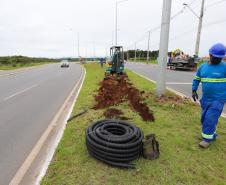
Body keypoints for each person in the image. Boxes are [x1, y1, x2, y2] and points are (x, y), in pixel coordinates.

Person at [192, 43, 226, 148]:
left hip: (219, 99)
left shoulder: (224, 67)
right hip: (206, 99)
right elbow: (197, 78)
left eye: (220, 58)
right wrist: (194, 90)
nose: (218, 59)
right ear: (210, 55)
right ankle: (212, 134)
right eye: (216, 57)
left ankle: (206, 140)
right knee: (204, 119)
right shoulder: (202, 67)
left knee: (209, 119)